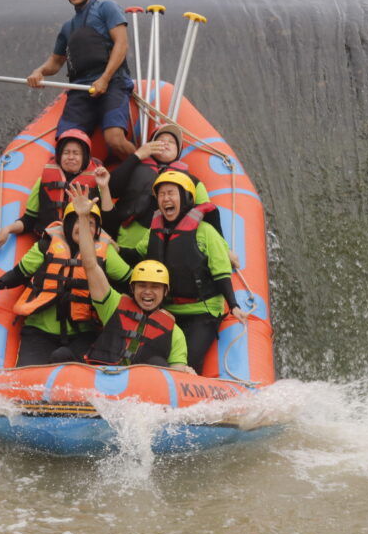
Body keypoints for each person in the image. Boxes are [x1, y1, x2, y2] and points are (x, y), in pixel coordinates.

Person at [0, 201, 132, 367]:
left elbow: (129, 281)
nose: (83, 227)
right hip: (39, 331)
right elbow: (20, 273)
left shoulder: (105, 252)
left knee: (68, 361)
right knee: (29, 374)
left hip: (83, 333)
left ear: (97, 229)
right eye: (78, 221)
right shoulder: (45, 246)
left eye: (90, 223)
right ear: (68, 224)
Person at [133, 170, 247, 374]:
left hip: (202, 311)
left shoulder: (206, 232)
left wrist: (234, 305)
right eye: (161, 194)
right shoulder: (154, 231)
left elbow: (221, 273)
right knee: (151, 357)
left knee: (190, 359)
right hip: (167, 309)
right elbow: (136, 254)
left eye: (171, 193)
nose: (165, 199)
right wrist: (109, 247)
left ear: (185, 198)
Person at [69, 182, 191, 372]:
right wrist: (84, 218)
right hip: (102, 379)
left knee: (159, 363)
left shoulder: (175, 334)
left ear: (165, 291)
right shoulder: (112, 305)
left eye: (155, 287)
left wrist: (185, 371)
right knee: (61, 355)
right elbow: (90, 264)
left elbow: (176, 372)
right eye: (142, 286)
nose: (147, 292)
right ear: (132, 289)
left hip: (141, 388)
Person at [26, 0, 136, 159]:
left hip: (113, 83)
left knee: (114, 139)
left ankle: (147, 169)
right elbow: (56, 62)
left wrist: (104, 78)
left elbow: (121, 44)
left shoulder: (106, 8)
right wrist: (39, 71)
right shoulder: (67, 28)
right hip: (80, 89)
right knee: (66, 145)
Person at [100, 123, 222, 250]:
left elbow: (208, 213)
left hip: (166, 246)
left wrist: (223, 248)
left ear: (178, 152)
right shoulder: (134, 166)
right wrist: (138, 155)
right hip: (122, 239)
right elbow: (111, 188)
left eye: (172, 142)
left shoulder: (192, 181)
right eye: (161, 140)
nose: (166, 143)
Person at [0, 129, 101, 247]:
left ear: (85, 157)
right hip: (48, 243)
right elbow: (29, 220)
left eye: (76, 153)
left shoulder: (96, 183)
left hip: (82, 246)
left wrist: (104, 188)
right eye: (66, 153)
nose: (71, 157)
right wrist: (7, 229)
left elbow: (106, 221)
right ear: (59, 155)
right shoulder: (44, 180)